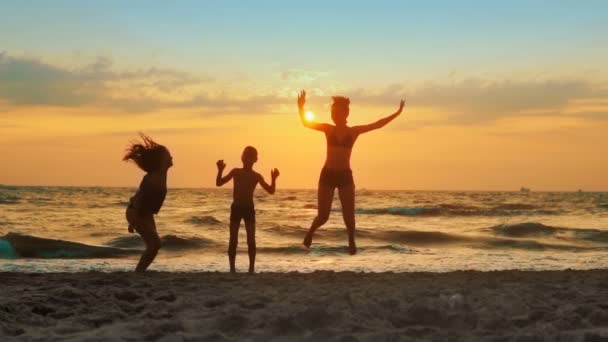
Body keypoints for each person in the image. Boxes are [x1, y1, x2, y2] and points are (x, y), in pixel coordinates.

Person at [297, 90, 405, 255]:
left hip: (345, 176)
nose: (333, 115)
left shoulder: (353, 132)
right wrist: (301, 107)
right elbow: (306, 123)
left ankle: (351, 240)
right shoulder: (328, 129)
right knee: (323, 217)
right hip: (327, 175)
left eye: (337, 112)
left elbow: (377, 124)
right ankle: (311, 231)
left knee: (349, 216)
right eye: (332, 112)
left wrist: (397, 113)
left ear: (345, 113)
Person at [216, 146, 280, 273]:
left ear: (255, 159)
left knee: (251, 239)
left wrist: (274, 179)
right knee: (233, 238)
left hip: (249, 209)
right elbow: (219, 183)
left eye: (251, 156)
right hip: (236, 207)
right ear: (242, 157)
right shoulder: (235, 172)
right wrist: (220, 170)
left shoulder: (256, 176)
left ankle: (251, 268)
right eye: (246, 155)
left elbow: (271, 191)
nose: (248, 158)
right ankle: (232, 268)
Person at [123, 133, 173, 272]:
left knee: (155, 245)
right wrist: (133, 221)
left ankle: (139, 272)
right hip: (137, 211)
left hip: (146, 213)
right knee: (155, 244)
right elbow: (140, 198)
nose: (171, 157)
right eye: (168, 155)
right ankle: (138, 273)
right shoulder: (152, 178)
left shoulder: (161, 173)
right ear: (161, 161)